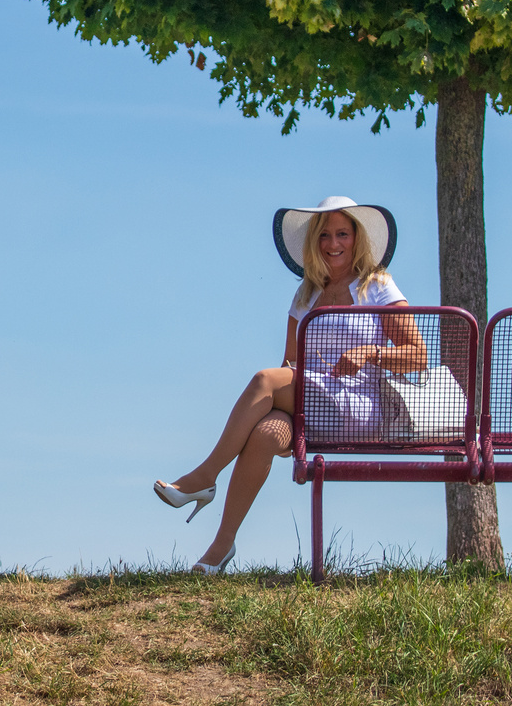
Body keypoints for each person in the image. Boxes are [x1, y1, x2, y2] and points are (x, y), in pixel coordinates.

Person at [152, 197, 427, 573]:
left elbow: (418, 355)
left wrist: (369, 352)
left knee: (264, 379)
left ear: (357, 238)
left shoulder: (376, 285)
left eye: (342, 234)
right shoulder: (306, 293)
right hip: (312, 400)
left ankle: (204, 477)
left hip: (357, 405)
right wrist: (278, 408)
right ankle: (220, 549)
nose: (333, 243)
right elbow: (292, 364)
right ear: (315, 243)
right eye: (325, 235)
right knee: (265, 434)